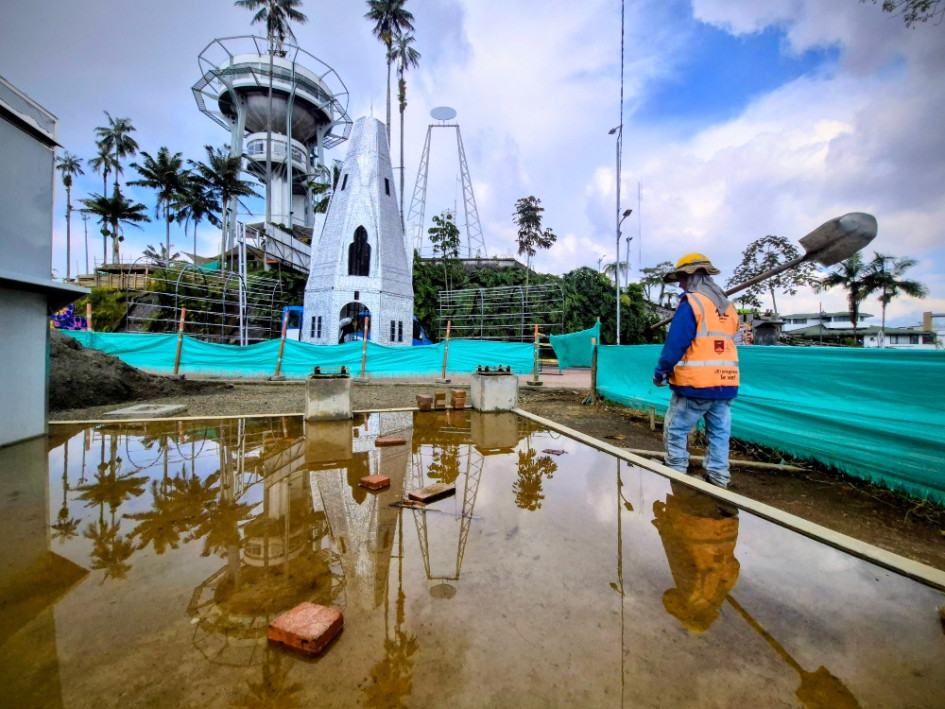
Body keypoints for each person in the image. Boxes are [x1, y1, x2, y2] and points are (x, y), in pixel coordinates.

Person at [653, 253, 739, 489]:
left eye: (681, 277)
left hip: (696, 384)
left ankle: (677, 475)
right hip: (726, 383)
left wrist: (661, 371)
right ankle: (718, 478)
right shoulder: (729, 308)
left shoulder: (691, 302)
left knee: (675, 430)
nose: (679, 283)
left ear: (691, 277)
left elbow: (676, 343)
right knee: (720, 434)